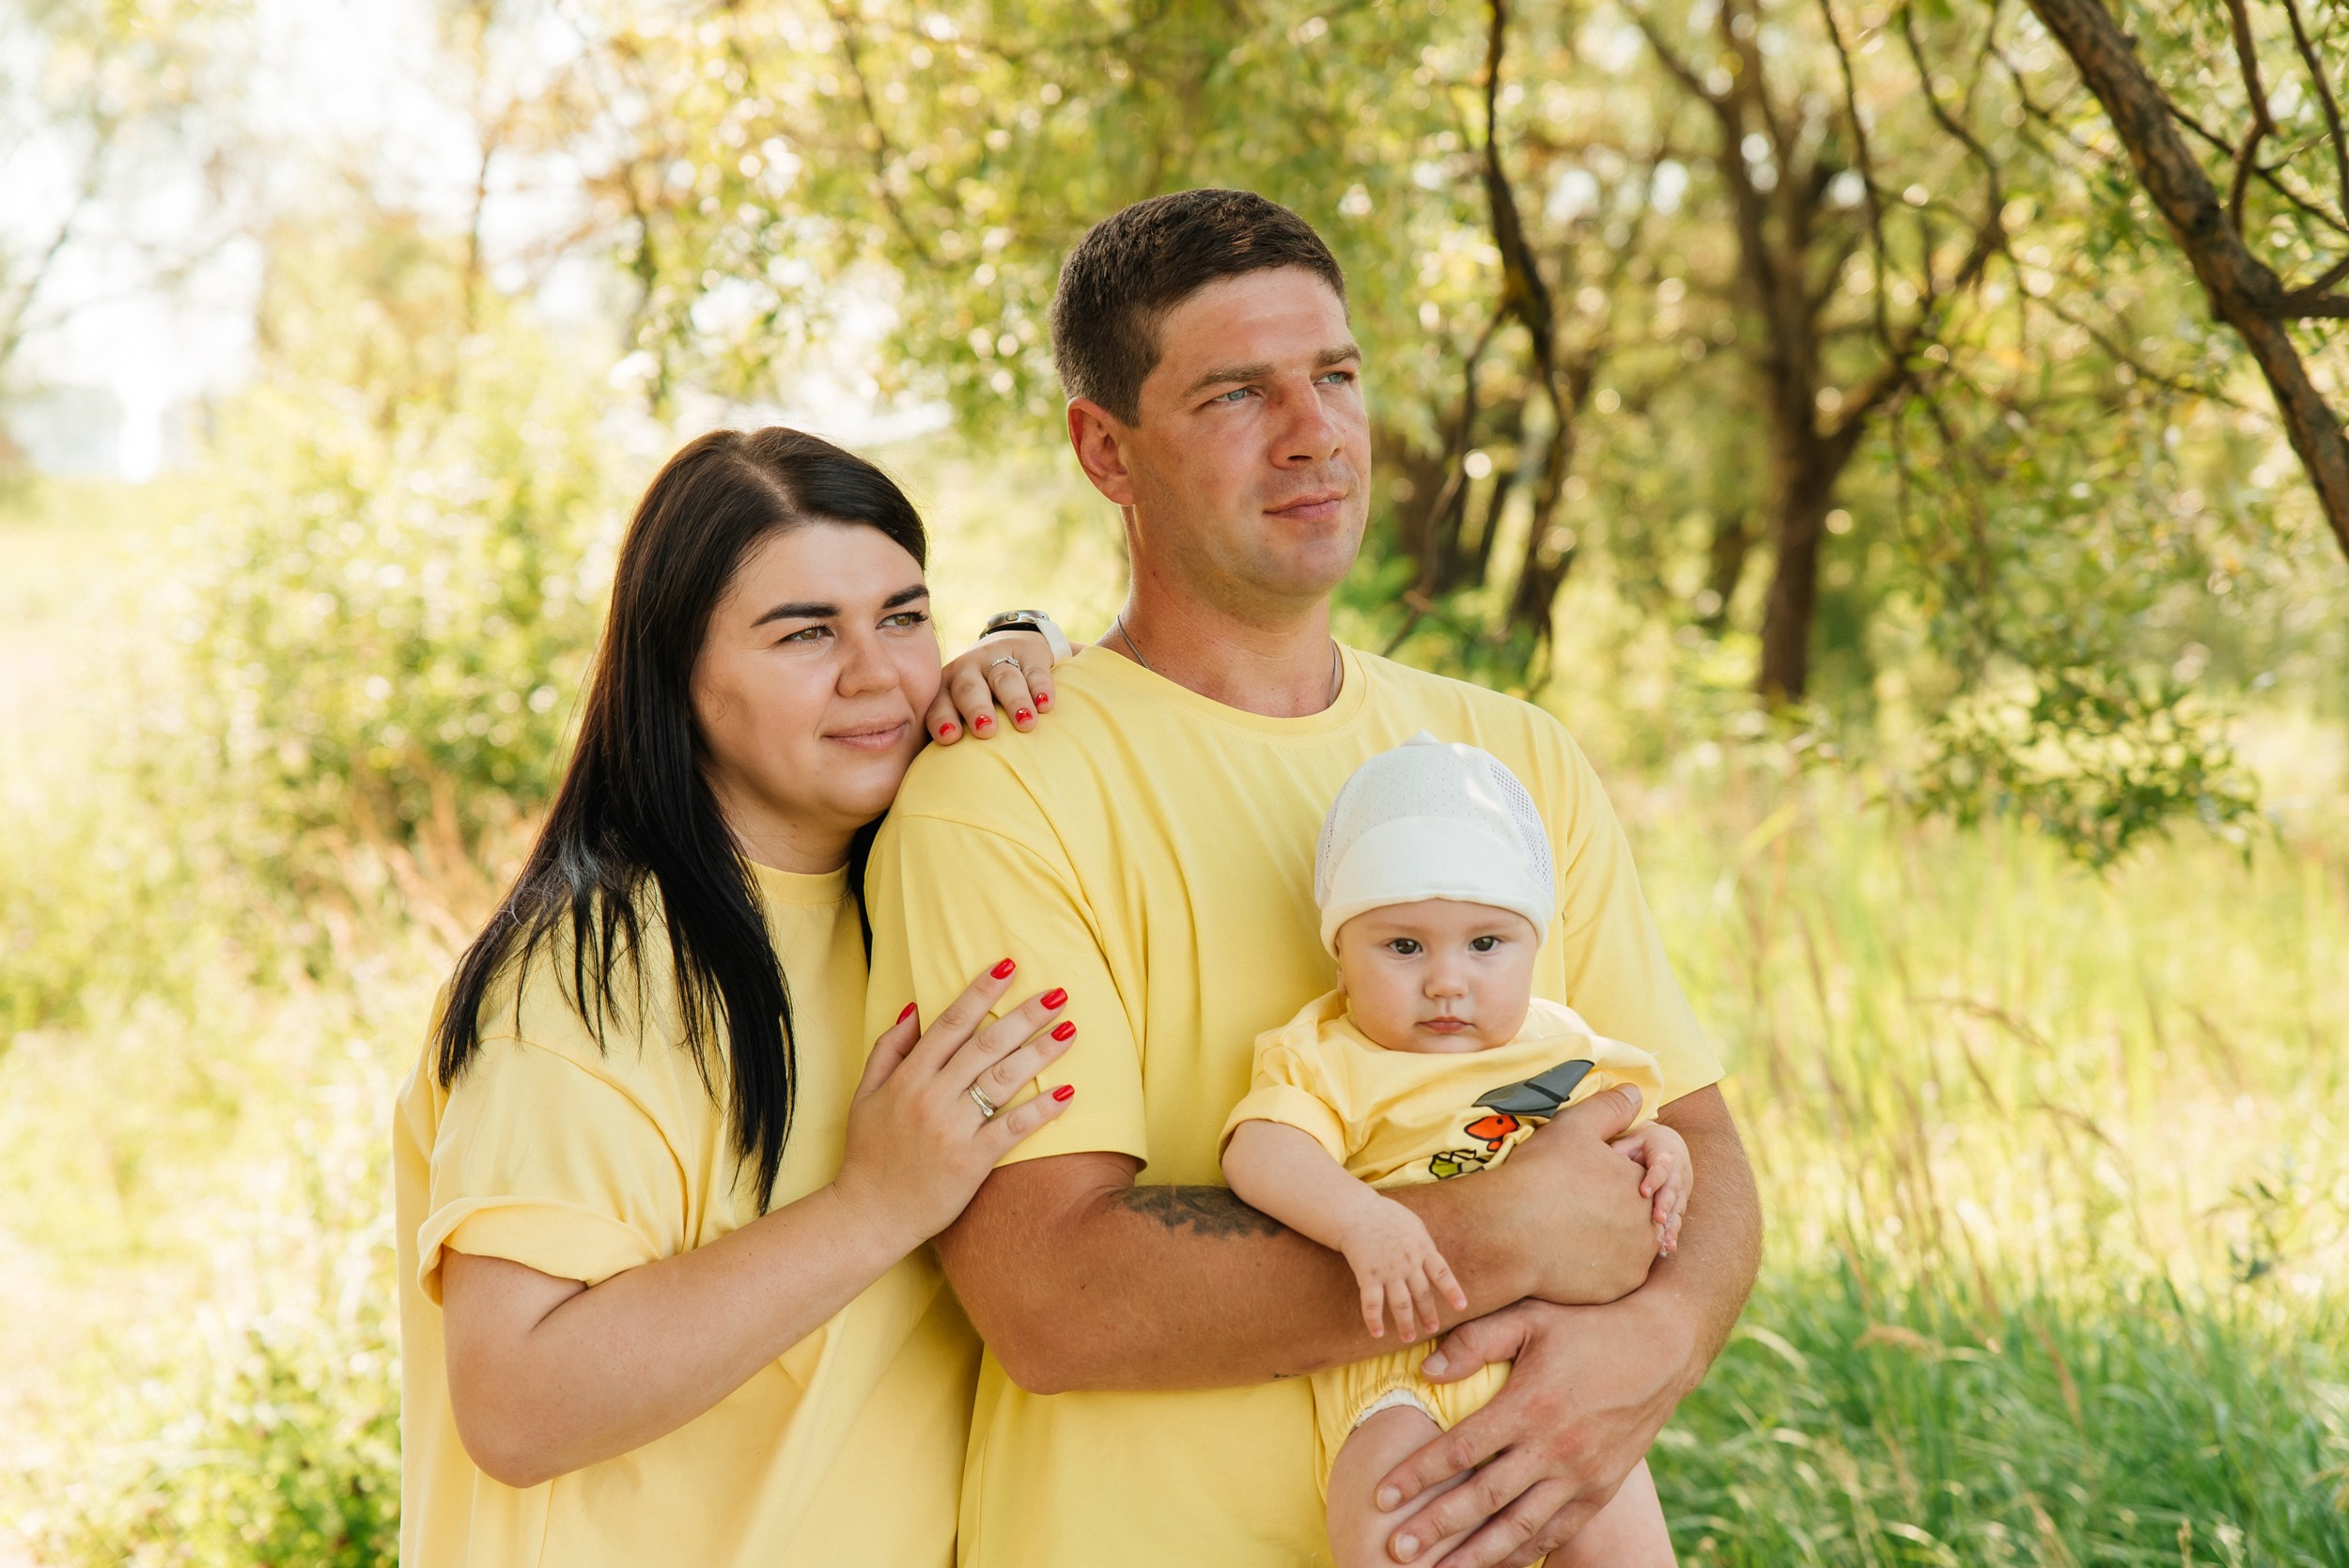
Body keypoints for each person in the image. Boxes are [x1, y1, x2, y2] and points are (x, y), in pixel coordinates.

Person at [863, 188, 1762, 1568]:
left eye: (1335, 375)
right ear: (1105, 450)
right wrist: (1495, 1232)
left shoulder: (1508, 754)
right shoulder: (1005, 785)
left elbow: (1697, 1143)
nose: (1313, 433)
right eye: (1234, 394)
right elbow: (1056, 1294)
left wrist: (1657, 1338)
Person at [393, 426, 1081, 1568]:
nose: (876, 674)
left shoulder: (921, 888)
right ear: (678, 673)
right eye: (805, 632)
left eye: (903, 618)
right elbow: (515, 1404)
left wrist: (1031, 646)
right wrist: (873, 1207)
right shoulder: (589, 975)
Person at [1220, 732, 1691, 1568]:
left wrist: (1662, 1150)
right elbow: (1261, 1148)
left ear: (1535, 945)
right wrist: (1363, 1220)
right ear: (1341, 950)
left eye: (1486, 944)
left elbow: (1631, 1132)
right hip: (1402, 1375)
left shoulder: (1565, 1046)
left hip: (1565, 1364)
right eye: (1403, 946)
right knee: (1402, 1536)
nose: (1446, 980)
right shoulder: (1331, 1055)